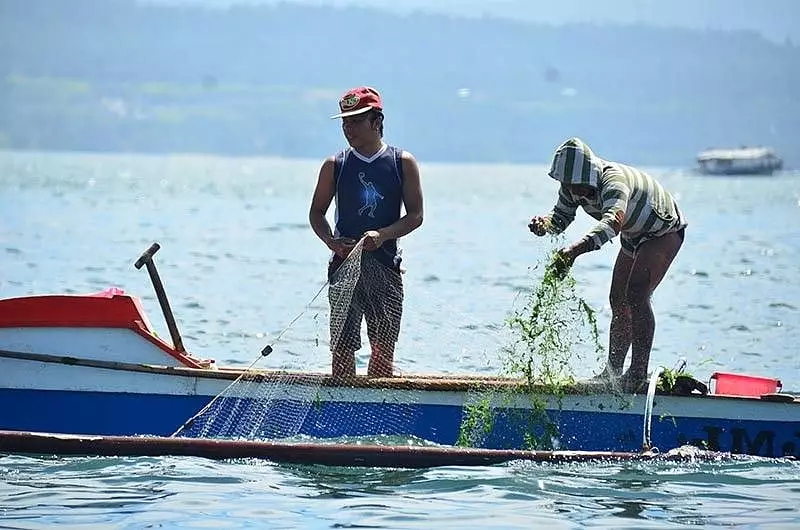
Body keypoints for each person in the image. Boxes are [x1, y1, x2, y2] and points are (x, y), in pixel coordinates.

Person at [528, 137, 686, 392]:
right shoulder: (570, 187)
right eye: (568, 185)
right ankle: (612, 373)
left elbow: (613, 222)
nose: (574, 191)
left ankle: (637, 373)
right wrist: (544, 225)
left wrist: (573, 252)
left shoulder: (613, 181)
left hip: (663, 231)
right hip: (634, 235)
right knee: (618, 299)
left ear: (589, 175)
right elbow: (561, 218)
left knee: (636, 294)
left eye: (578, 185)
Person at [309, 86, 424, 379]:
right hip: (344, 269)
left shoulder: (402, 162)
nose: (348, 128)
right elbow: (316, 214)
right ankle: (342, 405)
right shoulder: (335, 165)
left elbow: (415, 216)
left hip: (386, 268)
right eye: (345, 122)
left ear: (376, 121)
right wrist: (330, 242)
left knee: (383, 350)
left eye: (356, 121)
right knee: (342, 349)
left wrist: (383, 235)